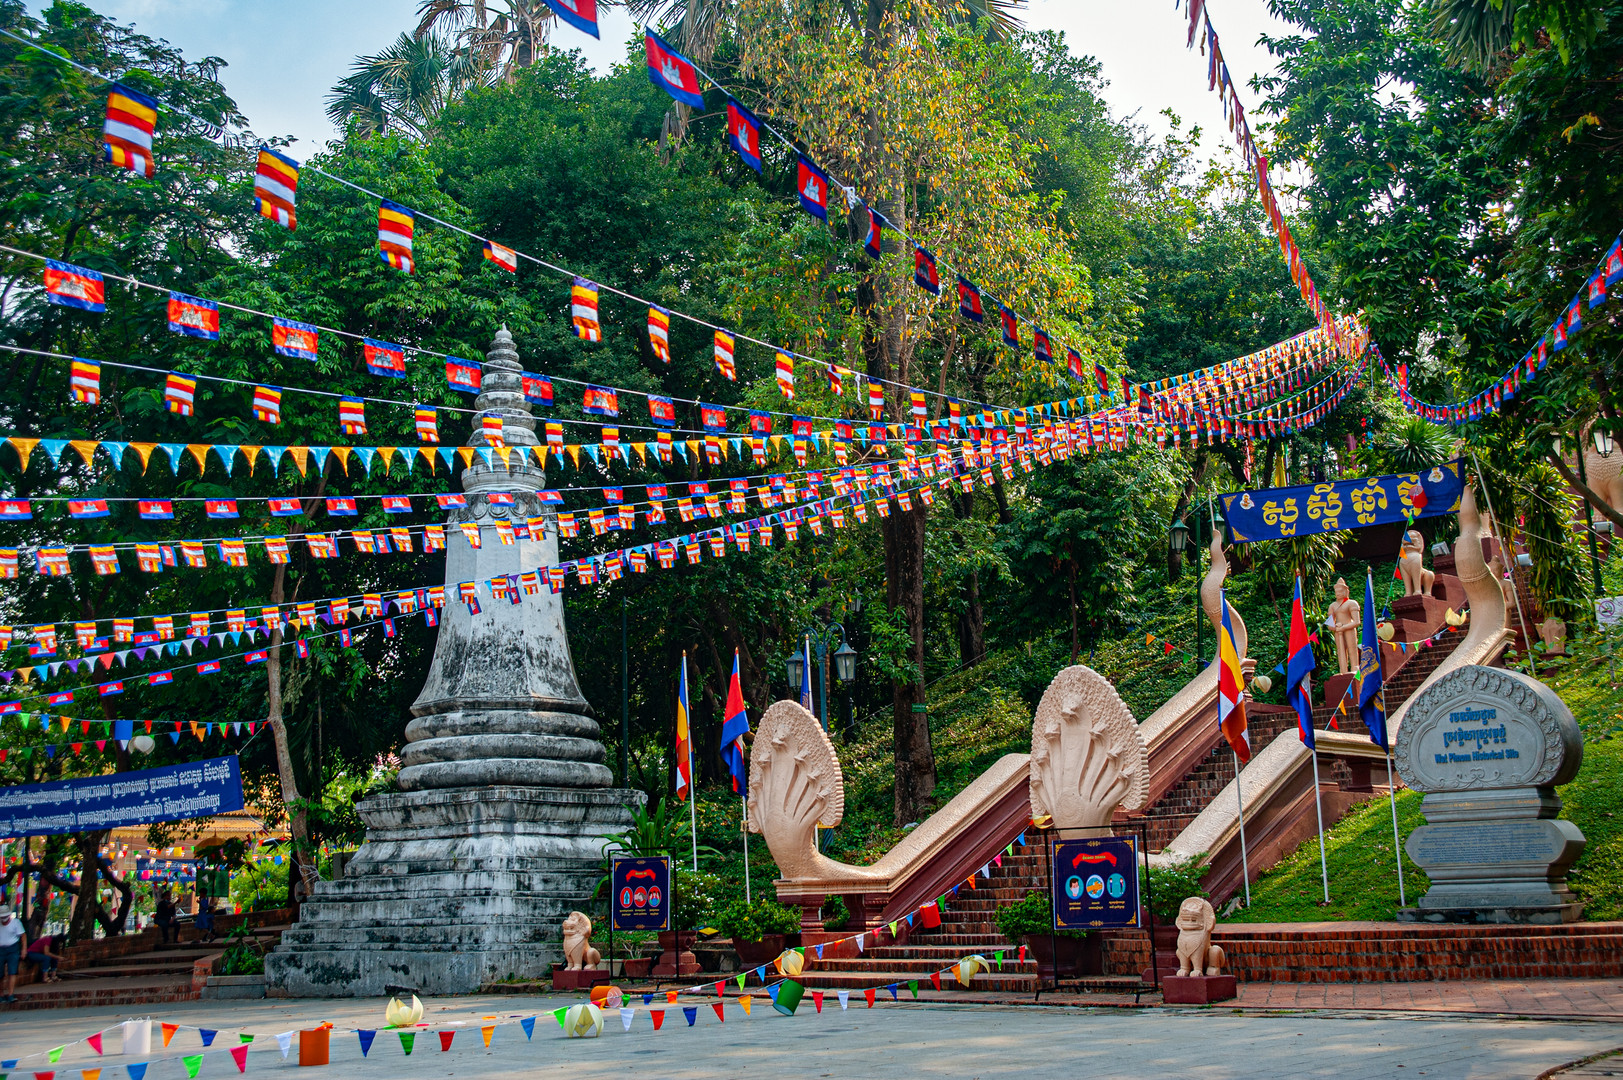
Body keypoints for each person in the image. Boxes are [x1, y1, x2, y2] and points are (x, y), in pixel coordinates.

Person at [0, 905, 25, 1003]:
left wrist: (24, 949)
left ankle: (10, 994)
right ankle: (1, 994)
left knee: (12, 972)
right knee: (0, 974)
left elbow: (23, 936)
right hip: (1, 949)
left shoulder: (16, 923)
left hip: (13, 948)